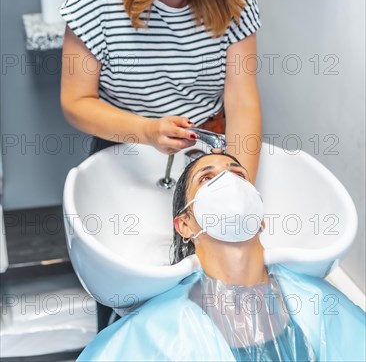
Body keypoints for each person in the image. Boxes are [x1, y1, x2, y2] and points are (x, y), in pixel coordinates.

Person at [60, 0, 262, 330]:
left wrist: (236, 190)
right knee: (132, 302)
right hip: (123, 154)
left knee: (213, 303)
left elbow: (243, 101)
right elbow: (75, 102)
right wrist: (145, 130)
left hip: (208, 158)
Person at [76, 152, 366, 361]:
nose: (229, 183)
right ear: (184, 224)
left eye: (238, 175)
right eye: (207, 178)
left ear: (259, 216)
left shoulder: (317, 304)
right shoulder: (156, 332)